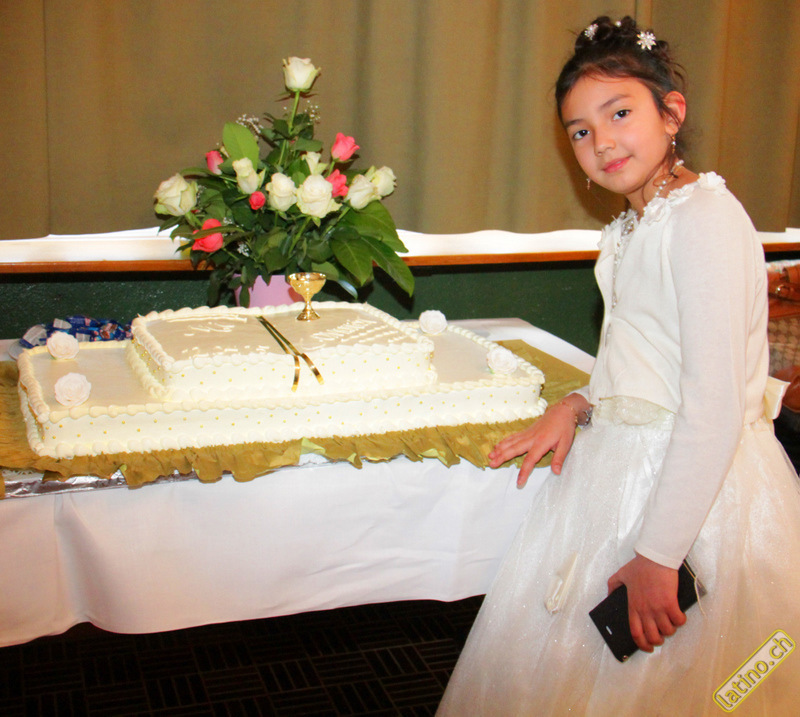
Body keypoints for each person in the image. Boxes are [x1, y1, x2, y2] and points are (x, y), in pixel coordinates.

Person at [438, 16, 800, 716]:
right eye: (579, 130)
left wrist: (660, 553)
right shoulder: (633, 224)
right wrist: (577, 404)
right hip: (625, 466)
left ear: (672, 113)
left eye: (620, 113)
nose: (601, 141)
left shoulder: (703, 219)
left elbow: (714, 403)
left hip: (695, 492)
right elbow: (642, 358)